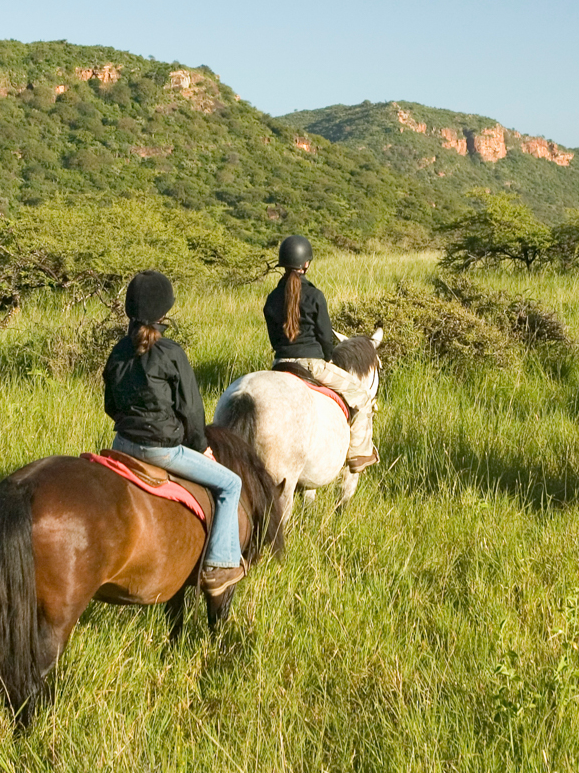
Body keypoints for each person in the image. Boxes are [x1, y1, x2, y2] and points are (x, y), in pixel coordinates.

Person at [103, 270, 247, 594]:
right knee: (230, 483)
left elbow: (111, 406)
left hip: (121, 444)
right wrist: (201, 446)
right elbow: (192, 412)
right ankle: (220, 564)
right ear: (163, 311)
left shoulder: (117, 352)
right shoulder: (171, 353)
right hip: (162, 451)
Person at [263, 235, 378, 472]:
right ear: (306, 264)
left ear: (283, 264)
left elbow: (274, 339)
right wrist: (327, 357)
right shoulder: (315, 296)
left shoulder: (272, 298)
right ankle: (358, 454)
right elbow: (325, 337)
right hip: (312, 364)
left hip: (280, 363)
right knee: (362, 397)